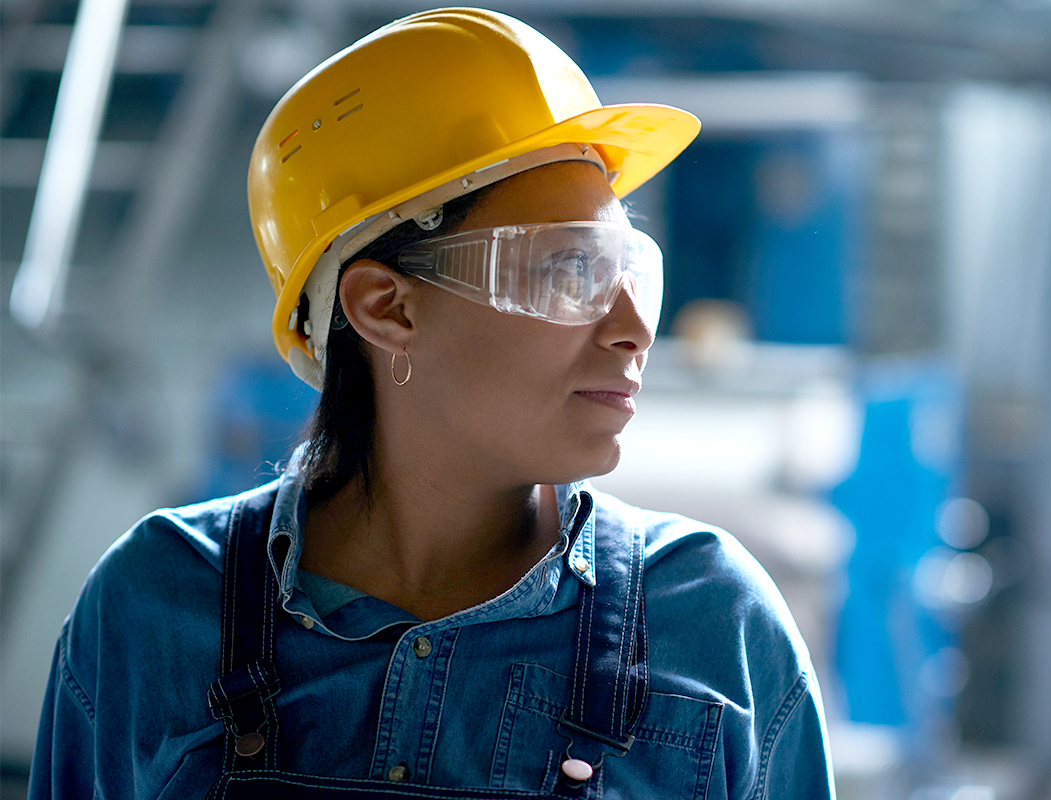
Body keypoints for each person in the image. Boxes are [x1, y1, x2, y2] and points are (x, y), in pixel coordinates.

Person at [29, 8, 835, 799]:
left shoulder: (713, 627)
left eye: (629, 272)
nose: (632, 331)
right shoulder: (158, 608)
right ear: (387, 307)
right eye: (567, 272)